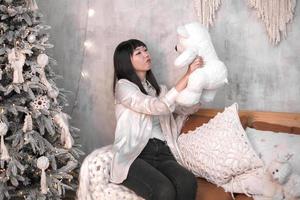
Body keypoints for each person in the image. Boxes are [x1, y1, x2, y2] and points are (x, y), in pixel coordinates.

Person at [110, 39, 204, 200]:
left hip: (163, 152)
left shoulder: (160, 90)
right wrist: (187, 75)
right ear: (126, 61)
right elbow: (155, 106)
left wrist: (197, 84)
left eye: (145, 50)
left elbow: (183, 108)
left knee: (187, 181)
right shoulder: (123, 87)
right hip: (136, 154)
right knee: (164, 191)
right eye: (139, 52)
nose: (146, 54)